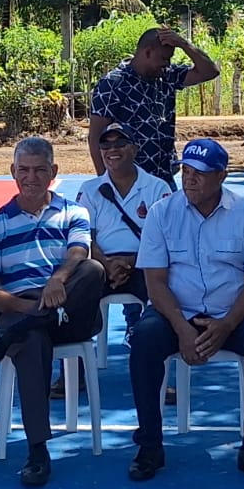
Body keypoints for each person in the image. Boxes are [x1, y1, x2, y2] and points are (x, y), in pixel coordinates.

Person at [126, 138, 244, 487]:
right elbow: (155, 282)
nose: (190, 179)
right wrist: (183, 329)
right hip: (175, 313)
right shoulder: (161, 212)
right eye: (185, 171)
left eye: (199, 173)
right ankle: (150, 446)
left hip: (235, 313)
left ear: (222, 176)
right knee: (144, 339)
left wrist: (227, 325)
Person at [0, 137, 107, 488]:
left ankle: (21, 329)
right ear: (12, 172)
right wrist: (31, 308)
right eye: (24, 170)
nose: (31, 177)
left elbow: (80, 252)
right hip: (19, 310)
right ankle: (38, 451)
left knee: (94, 271)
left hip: (71, 308)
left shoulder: (74, 212)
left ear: (54, 173)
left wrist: (57, 281)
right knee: (32, 338)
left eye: (39, 170)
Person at [88, 27, 220, 185]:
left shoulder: (167, 76)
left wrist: (184, 44)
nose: (167, 64)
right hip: (129, 182)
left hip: (163, 177)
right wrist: (105, 181)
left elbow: (210, 72)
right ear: (148, 52)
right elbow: (95, 136)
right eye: (164, 58)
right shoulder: (113, 84)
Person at [77, 123, 172, 341]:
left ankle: (145, 340)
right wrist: (106, 264)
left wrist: (132, 261)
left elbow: (167, 240)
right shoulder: (89, 189)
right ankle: (75, 371)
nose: (112, 150)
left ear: (135, 149)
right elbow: (83, 237)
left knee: (160, 300)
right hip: (101, 267)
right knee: (75, 297)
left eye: (120, 143)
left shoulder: (158, 188)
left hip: (146, 265)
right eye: (105, 144)